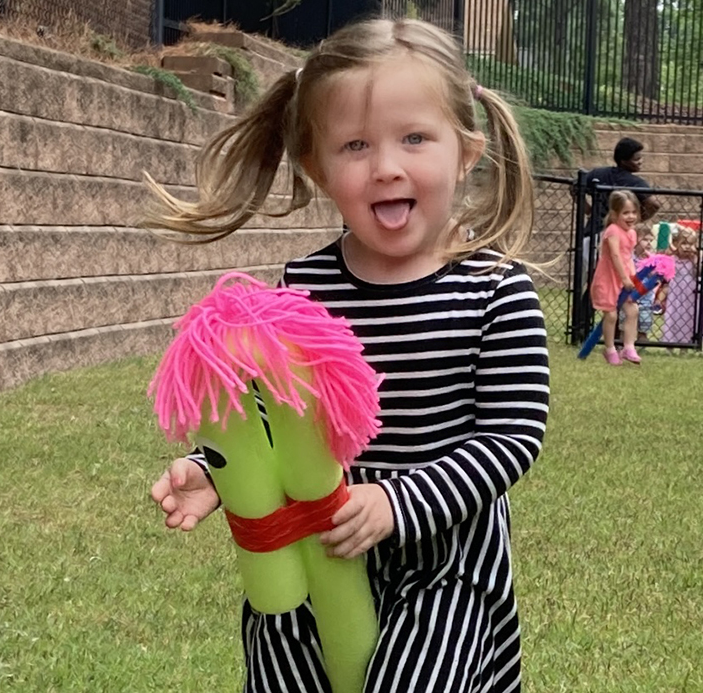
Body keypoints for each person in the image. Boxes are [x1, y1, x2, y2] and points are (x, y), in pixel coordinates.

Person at [145, 18, 549, 693]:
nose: (387, 164)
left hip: (440, 563)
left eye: (415, 137)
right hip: (313, 543)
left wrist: (398, 502)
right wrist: (216, 471)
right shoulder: (304, 288)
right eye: (355, 145)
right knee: (281, 667)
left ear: (467, 151)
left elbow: (513, 434)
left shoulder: (494, 288)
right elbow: (264, 417)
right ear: (319, 168)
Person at [578, 137, 662, 329]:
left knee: (594, 281)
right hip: (607, 238)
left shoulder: (598, 174)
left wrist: (589, 210)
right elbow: (654, 203)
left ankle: (583, 325)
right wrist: (636, 220)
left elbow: (576, 188)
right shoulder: (634, 182)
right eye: (636, 159)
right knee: (613, 283)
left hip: (591, 234)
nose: (640, 162)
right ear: (624, 160)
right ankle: (601, 327)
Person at [589, 190, 641, 365]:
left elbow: (629, 256)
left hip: (625, 278)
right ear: (614, 214)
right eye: (626, 213)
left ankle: (628, 347)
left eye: (634, 212)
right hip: (609, 278)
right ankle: (610, 348)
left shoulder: (632, 233)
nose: (631, 216)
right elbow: (615, 255)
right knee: (611, 315)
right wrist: (624, 278)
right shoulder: (612, 231)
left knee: (633, 311)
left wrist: (632, 278)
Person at [658, 227, 703, 352]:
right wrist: (670, 250)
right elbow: (662, 262)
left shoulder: (693, 259)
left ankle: (686, 345)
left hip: (691, 293)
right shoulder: (673, 258)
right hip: (676, 293)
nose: (687, 247)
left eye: (690, 244)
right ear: (676, 244)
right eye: (683, 243)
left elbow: (700, 271)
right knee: (674, 316)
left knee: (689, 317)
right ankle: (670, 344)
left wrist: (697, 257)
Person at [617, 224, 658, 342]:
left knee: (644, 325)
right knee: (625, 323)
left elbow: (654, 275)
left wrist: (650, 262)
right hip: (629, 296)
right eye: (645, 240)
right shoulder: (630, 257)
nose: (649, 243)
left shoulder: (652, 258)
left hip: (646, 298)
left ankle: (642, 345)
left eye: (651, 240)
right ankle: (622, 344)